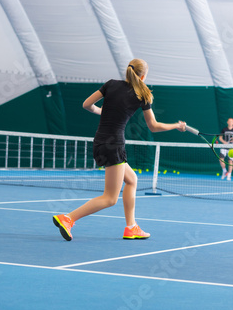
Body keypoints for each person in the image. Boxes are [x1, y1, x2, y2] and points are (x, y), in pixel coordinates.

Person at [53, 59, 186, 241]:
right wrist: (176, 126)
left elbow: (86, 105)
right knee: (110, 198)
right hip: (114, 145)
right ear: (143, 76)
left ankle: (131, 227)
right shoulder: (143, 94)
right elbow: (153, 126)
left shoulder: (110, 84)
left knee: (132, 180)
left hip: (100, 142)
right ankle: (68, 218)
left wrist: (103, 112)